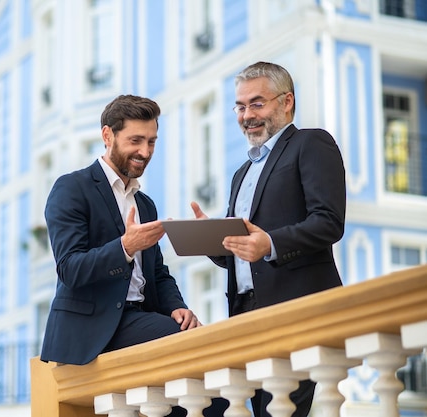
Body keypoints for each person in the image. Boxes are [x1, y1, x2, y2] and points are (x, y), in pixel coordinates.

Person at [40, 94, 227, 417]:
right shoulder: (71, 188)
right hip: (97, 328)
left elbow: (158, 274)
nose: (145, 151)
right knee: (197, 361)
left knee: (199, 368)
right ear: (107, 135)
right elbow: (70, 269)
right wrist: (125, 247)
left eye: (152, 141)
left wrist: (178, 307)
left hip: (142, 319)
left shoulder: (145, 204)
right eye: (136, 140)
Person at [192, 62, 346, 417]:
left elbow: (329, 222)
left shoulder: (311, 143)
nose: (247, 115)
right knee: (263, 410)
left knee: (281, 411)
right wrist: (209, 238)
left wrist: (271, 244)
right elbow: (244, 248)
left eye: (257, 103)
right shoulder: (240, 173)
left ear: (287, 101)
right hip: (246, 311)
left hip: (297, 308)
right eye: (241, 106)